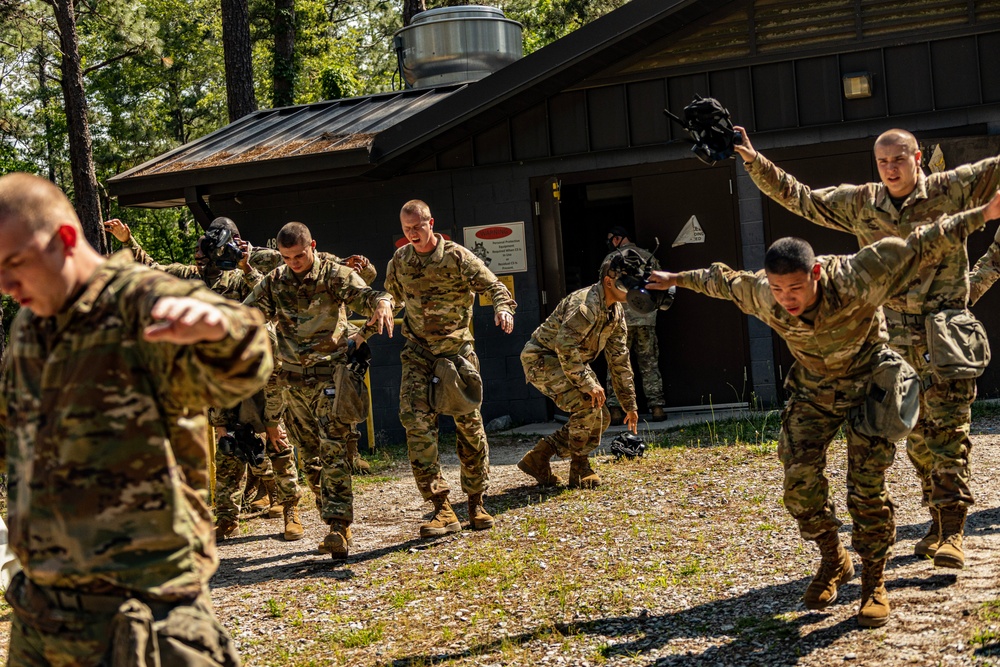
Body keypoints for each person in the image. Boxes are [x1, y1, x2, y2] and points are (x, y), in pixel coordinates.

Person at [645, 191, 1000, 627]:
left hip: (871, 386)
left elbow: (920, 243)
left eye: (795, 287)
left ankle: (873, 583)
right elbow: (721, 280)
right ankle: (834, 558)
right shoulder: (763, 293)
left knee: (865, 487)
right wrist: (675, 277)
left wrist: (983, 213)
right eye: (778, 290)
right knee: (798, 479)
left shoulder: (856, 276)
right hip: (815, 390)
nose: (787, 298)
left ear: (815, 273)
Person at [0, 172, 273, 665]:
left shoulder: (139, 300)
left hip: (142, 617)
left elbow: (248, 352)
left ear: (64, 240)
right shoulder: (29, 325)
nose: (4, 283)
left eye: (14, 262)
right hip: (40, 615)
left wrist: (219, 332)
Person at [734, 127, 1000, 569]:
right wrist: (751, 158)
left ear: (918, 157)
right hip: (889, 336)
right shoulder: (860, 203)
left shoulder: (953, 187)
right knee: (913, 435)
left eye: (899, 159)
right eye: (883, 162)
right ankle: (936, 520)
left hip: (945, 333)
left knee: (950, 433)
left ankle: (954, 530)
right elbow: (799, 197)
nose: (892, 169)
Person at [104, 216, 303, 542]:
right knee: (228, 446)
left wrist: (246, 262)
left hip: (260, 371)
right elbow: (154, 269)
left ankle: (290, 511)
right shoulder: (190, 279)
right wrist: (128, 241)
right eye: (197, 257)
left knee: (276, 439)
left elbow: (270, 300)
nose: (201, 262)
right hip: (220, 376)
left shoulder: (240, 278)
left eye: (206, 256)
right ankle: (227, 519)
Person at [244, 221, 394, 560]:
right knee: (310, 456)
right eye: (286, 257)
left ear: (313, 245)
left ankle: (338, 526)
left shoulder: (334, 275)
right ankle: (332, 515)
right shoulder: (275, 281)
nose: (294, 263)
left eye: (299, 255)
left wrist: (382, 304)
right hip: (293, 381)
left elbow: (372, 297)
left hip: (331, 376)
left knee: (333, 448)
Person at [384, 200, 516, 537]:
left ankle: (475, 502)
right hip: (417, 353)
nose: (412, 234)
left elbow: (494, 287)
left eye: (417, 227)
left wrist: (504, 309)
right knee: (415, 424)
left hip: (456, 355)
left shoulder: (457, 257)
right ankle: (441, 507)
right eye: (406, 229)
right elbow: (393, 297)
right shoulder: (400, 260)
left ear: (431, 223)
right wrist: (382, 306)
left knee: (469, 427)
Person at [517, 256, 640, 489]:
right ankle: (580, 467)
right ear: (609, 282)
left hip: (570, 362)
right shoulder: (586, 305)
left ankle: (539, 457)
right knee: (588, 402)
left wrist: (629, 405)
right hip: (543, 359)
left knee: (601, 416)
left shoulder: (616, 312)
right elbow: (564, 346)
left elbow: (619, 361)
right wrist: (587, 384)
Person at [604, 226, 667, 422]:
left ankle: (615, 410)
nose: (611, 242)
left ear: (618, 239)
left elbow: (603, 289)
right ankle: (656, 407)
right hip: (645, 318)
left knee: (617, 364)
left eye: (612, 238)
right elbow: (661, 285)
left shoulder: (610, 260)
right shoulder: (649, 256)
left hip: (619, 320)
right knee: (649, 362)